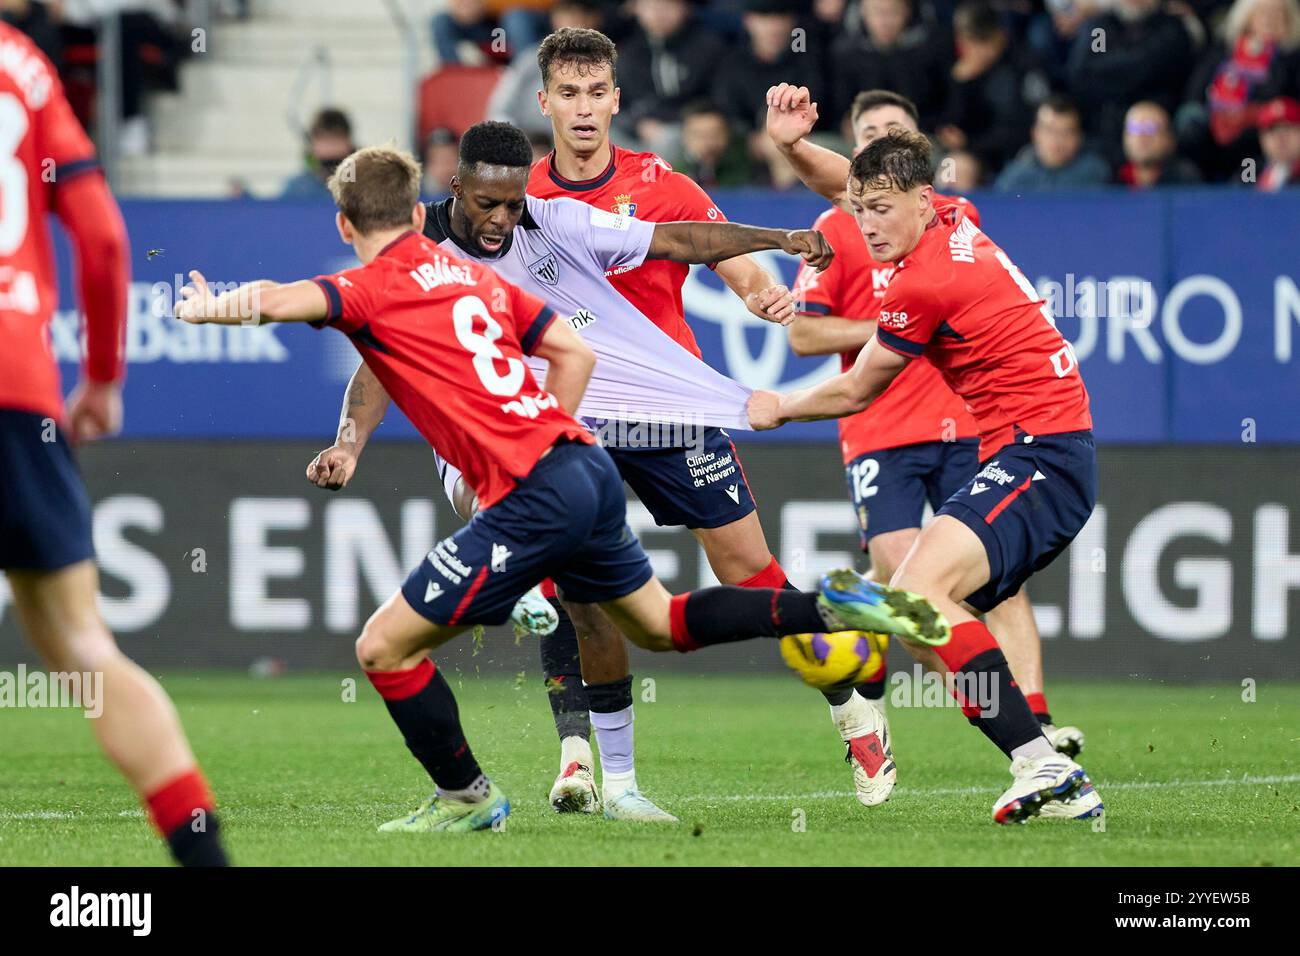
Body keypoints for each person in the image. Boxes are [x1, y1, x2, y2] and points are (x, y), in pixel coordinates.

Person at [175, 143, 915, 834]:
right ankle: (828, 603)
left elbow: (285, 299)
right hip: (580, 462)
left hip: (538, 486)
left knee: (382, 646)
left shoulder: (372, 287)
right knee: (659, 623)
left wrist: (214, 306)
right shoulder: (475, 277)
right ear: (422, 211)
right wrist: (547, 433)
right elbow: (569, 347)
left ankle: (467, 794)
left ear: (345, 223)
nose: (501, 219)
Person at [308, 118, 816, 822]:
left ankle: (621, 784)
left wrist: (778, 239)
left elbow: (681, 238)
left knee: (636, 621)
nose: (503, 220)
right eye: (488, 203)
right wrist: (349, 443)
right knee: (497, 516)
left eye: (514, 204)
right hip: (475, 449)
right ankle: (528, 589)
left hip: (549, 442)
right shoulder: (414, 247)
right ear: (454, 187)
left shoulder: (555, 221)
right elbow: (375, 361)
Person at [755, 83, 1105, 824]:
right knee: (918, 603)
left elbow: (853, 393)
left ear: (921, 200)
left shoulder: (925, 282)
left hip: (1041, 454)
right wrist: (791, 149)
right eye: (861, 210)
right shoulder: (948, 216)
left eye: (882, 210)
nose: (867, 225)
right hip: (1038, 449)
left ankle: (1041, 761)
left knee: (918, 599)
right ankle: (1041, 765)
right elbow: (852, 187)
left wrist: (775, 406)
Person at [0, 21, 228, 866]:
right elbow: (100, 237)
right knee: (84, 645)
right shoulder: (24, 64)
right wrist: (100, 378)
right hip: (19, 383)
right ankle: (205, 862)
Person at [995, 95, 1111, 191]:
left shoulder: (1095, 174)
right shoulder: (1014, 179)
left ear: (1079, 137)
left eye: (1067, 132)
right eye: (1050, 131)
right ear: (1035, 134)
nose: (1058, 140)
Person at [1118, 101, 1202, 187]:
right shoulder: (1111, 178)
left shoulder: (1184, 178)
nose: (1142, 137)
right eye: (1134, 128)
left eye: (1150, 129)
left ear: (1169, 138)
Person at [281, 107, 357, 200]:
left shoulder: (364, 187)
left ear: (349, 145)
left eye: (336, 140)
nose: (330, 148)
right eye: (324, 140)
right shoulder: (297, 188)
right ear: (312, 146)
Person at [1255, 94, 1300, 187]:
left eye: (1288, 127)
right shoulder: (1250, 173)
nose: (1281, 137)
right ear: (1262, 138)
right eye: (1272, 129)